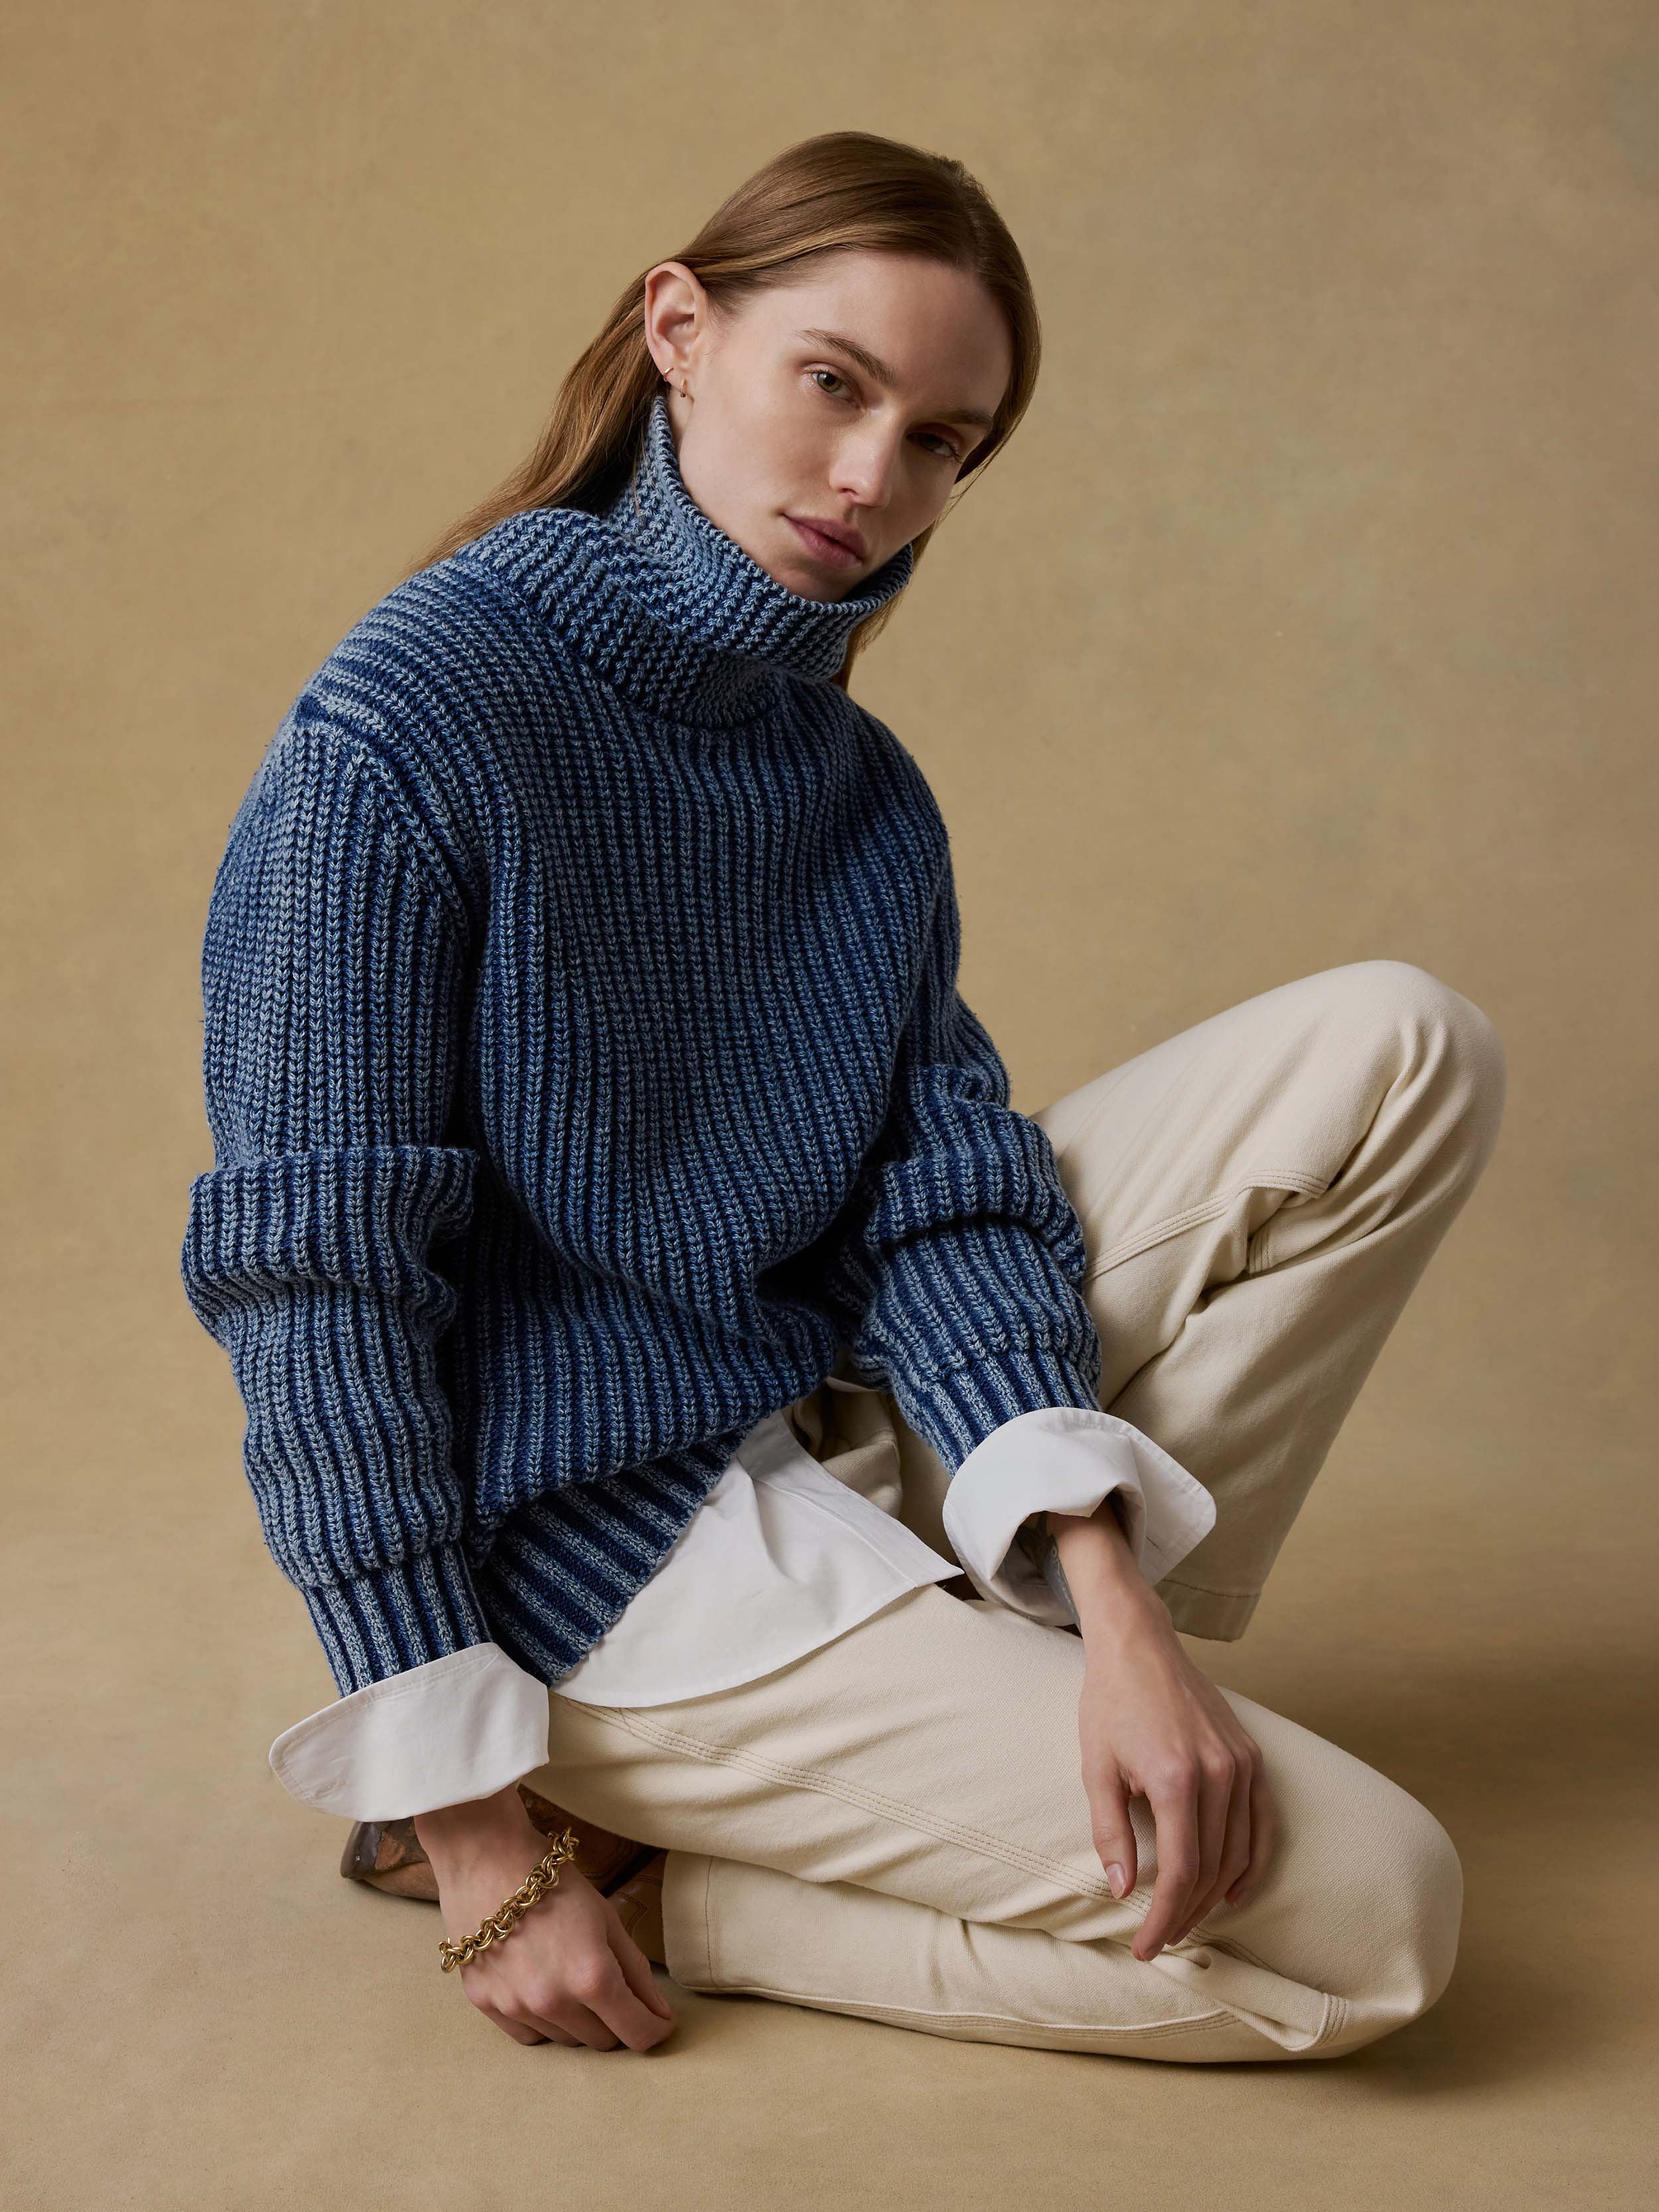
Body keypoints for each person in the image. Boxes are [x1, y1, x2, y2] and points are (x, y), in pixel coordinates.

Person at [179, 129, 1505, 2063]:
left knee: (1401, 1043)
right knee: (1381, 1924)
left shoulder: (854, 789)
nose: (875, 479)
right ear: (678, 334)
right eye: (835, 384)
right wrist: (479, 1845)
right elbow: (323, 1300)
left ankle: (1045, 1669)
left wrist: (1111, 1592)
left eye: (945, 440)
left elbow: (944, 1197)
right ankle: (668, 1873)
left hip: (814, 1416)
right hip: (597, 1565)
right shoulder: (409, 728)